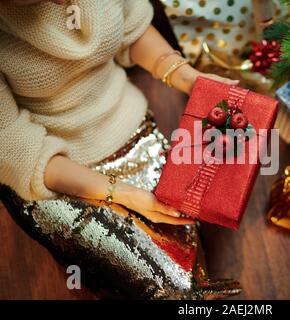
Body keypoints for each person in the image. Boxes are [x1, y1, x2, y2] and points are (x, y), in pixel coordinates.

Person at [0, 0, 240, 299]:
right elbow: (18, 151)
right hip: (53, 173)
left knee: (189, 234)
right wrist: (124, 194)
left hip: (127, 127)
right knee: (164, 287)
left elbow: (132, 29)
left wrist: (189, 78)